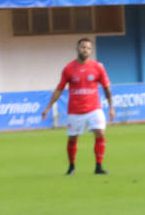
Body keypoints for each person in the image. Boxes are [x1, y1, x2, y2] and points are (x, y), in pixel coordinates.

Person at [40, 37, 115, 175]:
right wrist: (48, 107)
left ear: (91, 50)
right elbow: (59, 89)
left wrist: (111, 107)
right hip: (75, 110)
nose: (85, 50)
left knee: (100, 133)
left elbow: (106, 88)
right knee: (73, 138)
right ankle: (71, 167)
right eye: (83, 47)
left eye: (88, 48)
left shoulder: (98, 67)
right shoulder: (69, 68)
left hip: (94, 109)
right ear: (77, 49)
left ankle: (98, 166)